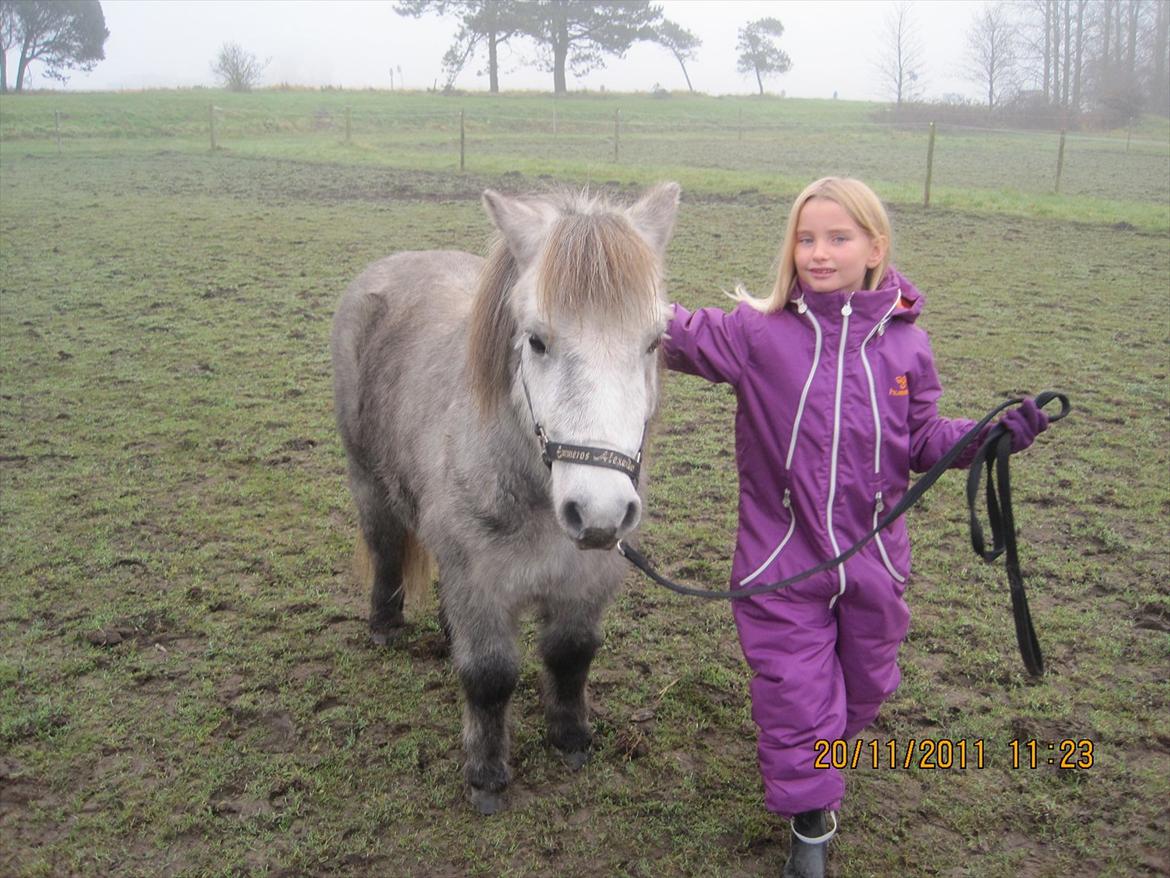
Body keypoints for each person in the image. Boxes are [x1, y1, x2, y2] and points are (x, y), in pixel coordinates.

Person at [661, 177, 1048, 878]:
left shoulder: (907, 349)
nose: (818, 252)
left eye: (837, 238)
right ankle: (810, 831)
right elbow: (667, 329)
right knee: (795, 695)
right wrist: (586, 283)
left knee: (862, 690)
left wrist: (992, 436)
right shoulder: (756, 333)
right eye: (805, 238)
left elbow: (925, 440)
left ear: (875, 246)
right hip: (781, 564)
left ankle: (819, 764)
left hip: (875, 566)